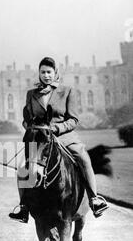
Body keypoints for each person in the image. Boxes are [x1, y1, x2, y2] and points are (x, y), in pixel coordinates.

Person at [9, 56, 108, 223]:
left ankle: (94, 199)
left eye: (49, 72)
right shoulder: (31, 94)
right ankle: (24, 207)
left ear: (55, 73)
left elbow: (74, 119)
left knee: (83, 157)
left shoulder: (67, 91)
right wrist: (30, 127)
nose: (46, 75)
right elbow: (26, 118)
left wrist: (56, 128)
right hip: (40, 139)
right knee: (22, 168)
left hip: (64, 137)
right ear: (38, 74)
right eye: (43, 72)